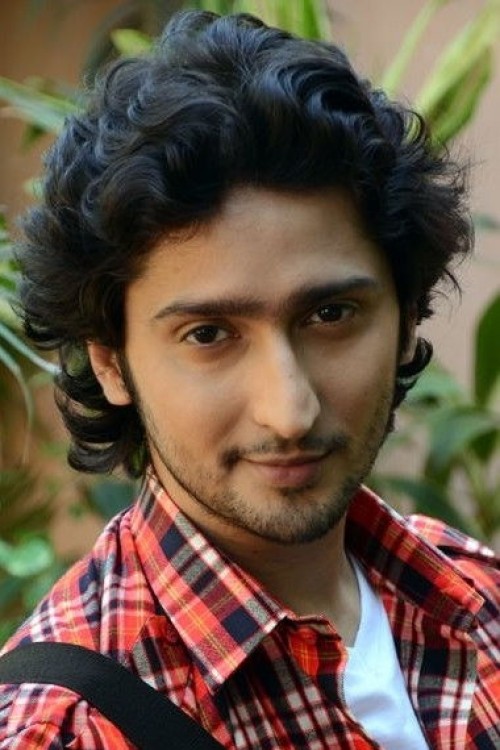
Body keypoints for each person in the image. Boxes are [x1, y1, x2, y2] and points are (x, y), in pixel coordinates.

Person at [0, 9, 498, 749]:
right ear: (110, 361)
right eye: (208, 335)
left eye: (330, 314)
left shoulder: (477, 598)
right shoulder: (65, 730)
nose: (290, 410)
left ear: (405, 319)